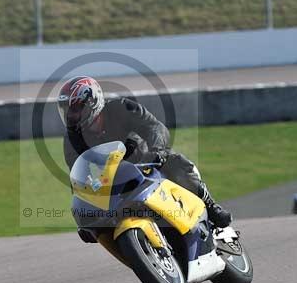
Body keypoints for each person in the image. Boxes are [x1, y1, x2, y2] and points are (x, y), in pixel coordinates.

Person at [57, 75, 232, 229]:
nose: (71, 116)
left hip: (147, 162)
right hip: (113, 183)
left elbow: (154, 127)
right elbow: (78, 176)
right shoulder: (72, 140)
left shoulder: (122, 108)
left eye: (76, 109)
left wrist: (157, 151)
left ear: (93, 102)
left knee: (175, 161)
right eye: (67, 111)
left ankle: (210, 205)